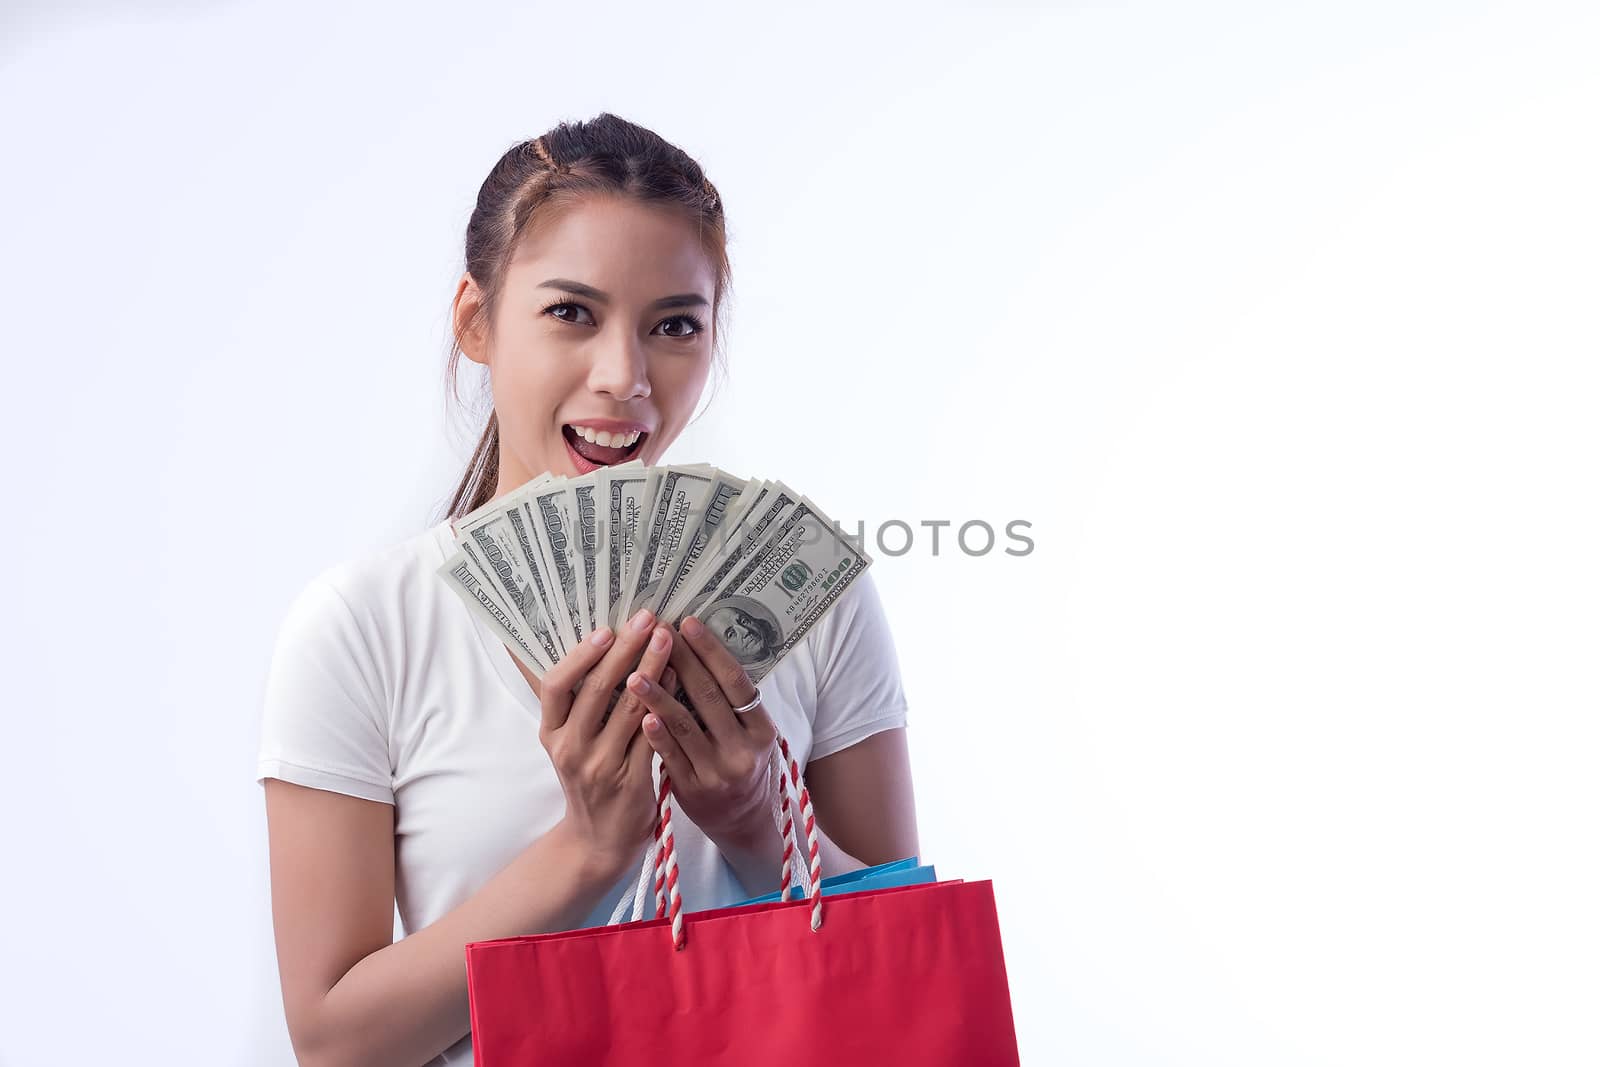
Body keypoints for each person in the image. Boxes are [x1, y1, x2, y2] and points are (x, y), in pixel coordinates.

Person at [254, 112, 920, 1067]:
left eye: (674, 326)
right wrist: (586, 853)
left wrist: (754, 820)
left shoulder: (818, 602)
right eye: (571, 313)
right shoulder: (363, 628)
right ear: (477, 323)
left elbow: (906, 970)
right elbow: (334, 1041)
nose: (625, 377)